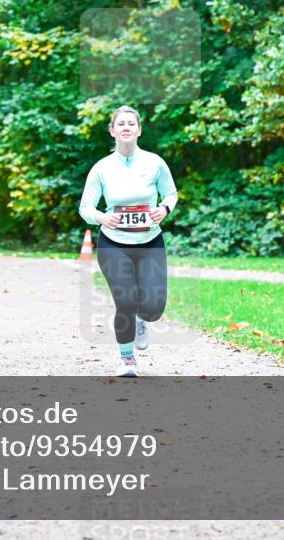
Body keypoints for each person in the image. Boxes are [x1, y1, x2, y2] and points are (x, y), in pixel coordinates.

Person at [79, 105, 178, 377]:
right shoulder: (101, 168)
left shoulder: (155, 163)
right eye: (120, 124)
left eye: (131, 123)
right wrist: (101, 217)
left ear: (139, 130)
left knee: (153, 309)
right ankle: (127, 359)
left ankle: (142, 320)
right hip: (114, 244)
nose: (126, 127)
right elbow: (85, 208)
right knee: (125, 301)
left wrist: (164, 209)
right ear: (112, 130)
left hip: (150, 243)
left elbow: (171, 195)